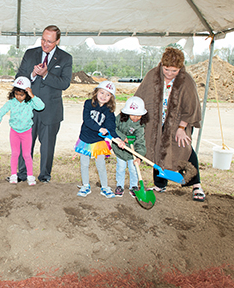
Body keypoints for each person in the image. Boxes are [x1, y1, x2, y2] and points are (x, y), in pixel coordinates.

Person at [135, 47, 204, 201]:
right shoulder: (152, 75)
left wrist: (181, 128)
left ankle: (196, 184)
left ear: (180, 68)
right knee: (156, 148)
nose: (169, 73)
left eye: (174, 70)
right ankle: (160, 184)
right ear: (162, 64)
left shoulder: (186, 80)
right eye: (166, 69)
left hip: (178, 123)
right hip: (155, 122)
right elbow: (140, 96)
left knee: (184, 147)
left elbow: (191, 107)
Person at [15, 25, 73, 183]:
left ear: (57, 41)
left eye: (49, 41)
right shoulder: (30, 53)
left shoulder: (65, 58)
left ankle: (44, 176)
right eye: (43, 39)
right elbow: (19, 77)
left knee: (47, 147)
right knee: (25, 144)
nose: (45, 44)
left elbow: (65, 83)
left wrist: (46, 74)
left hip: (51, 110)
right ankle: (22, 173)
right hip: (28, 109)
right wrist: (32, 74)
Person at [74, 81, 124, 198]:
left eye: (108, 95)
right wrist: (99, 128)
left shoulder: (109, 111)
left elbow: (111, 127)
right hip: (85, 138)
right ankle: (85, 185)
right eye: (102, 92)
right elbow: (87, 120)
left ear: (111, 97)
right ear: (96, 92)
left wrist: (117, 139)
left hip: (98, 140)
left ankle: (105, 187)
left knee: (101, 164)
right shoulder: (88, 104)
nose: (104, 96)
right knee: (84, 163)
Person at [0, 76, 45, 186]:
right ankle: (13, 175)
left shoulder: (30, 103)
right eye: (16, 94)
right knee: (15, 153)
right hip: (14, 132)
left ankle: (30, 176)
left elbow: (41, 106)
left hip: (26, 132)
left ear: (27, 93)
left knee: (26, 154)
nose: (18, 97)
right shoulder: (11, 102)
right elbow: (0, 112)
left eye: (21, 95)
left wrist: (32, 95)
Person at [112, 96, 148, 197]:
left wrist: (139, 156)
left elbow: (141, 142)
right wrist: (123, 138)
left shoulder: (140, 125)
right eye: (133, 115)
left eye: (139, 115)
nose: (136, 118)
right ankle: (120, 185)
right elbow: (113, 128)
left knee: (133, 168)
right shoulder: (120, 118)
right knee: (121, 167)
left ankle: (134, 186)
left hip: (133, 152)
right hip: (120, 148)